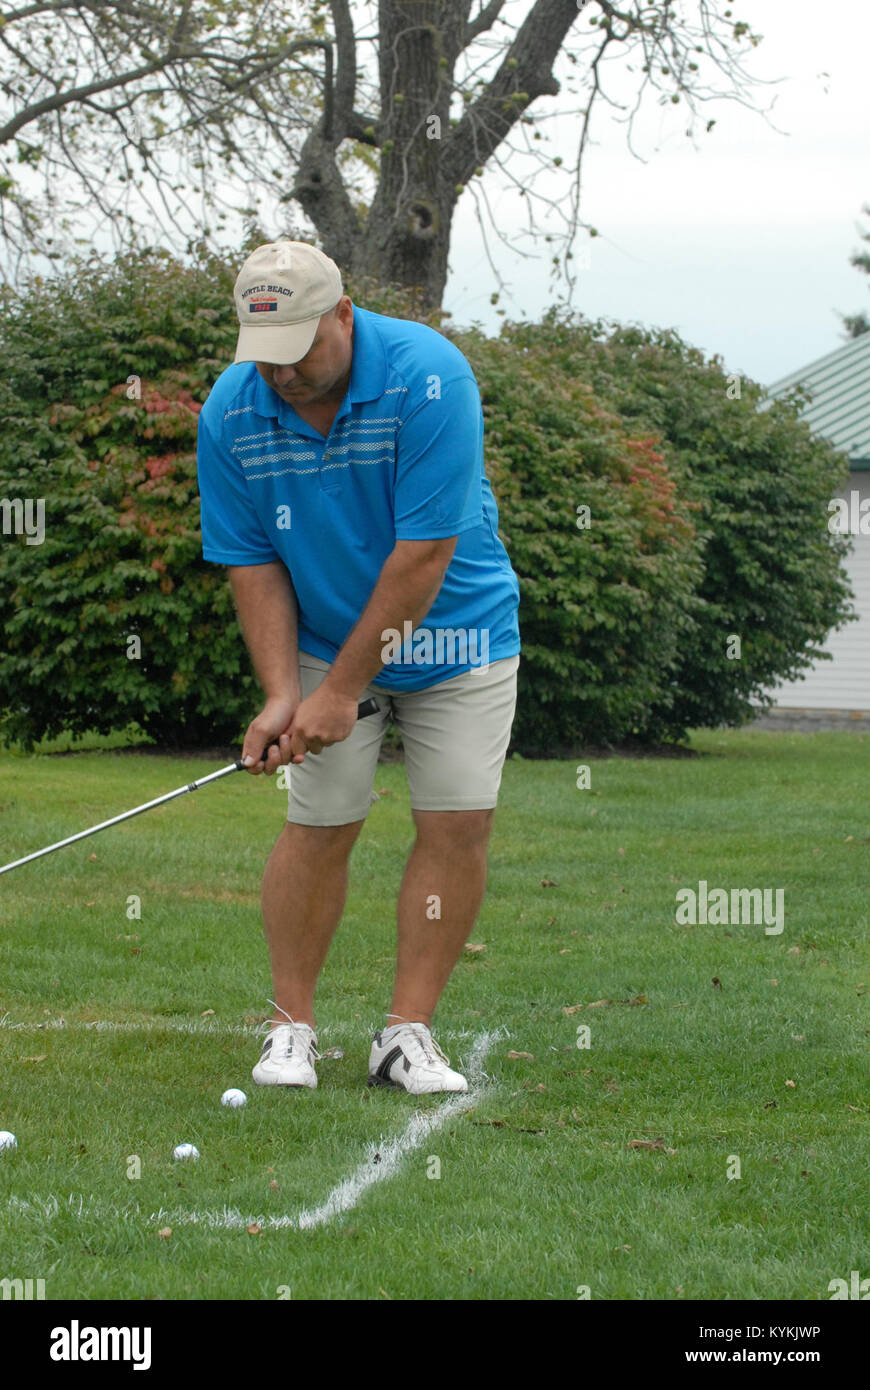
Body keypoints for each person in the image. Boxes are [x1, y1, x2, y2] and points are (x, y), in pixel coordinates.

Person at [196, 240, 520, 1095]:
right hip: (323, 627)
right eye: (266, 357)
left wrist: (342, 693)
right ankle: (290, 1026)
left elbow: (423, 555)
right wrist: (283, 692)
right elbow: (253, 559)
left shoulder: (429, 378)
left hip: (459, 633)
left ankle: (405, 1034)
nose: (284, 374)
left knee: (456, 823)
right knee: (322, 819)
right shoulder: (232, 412)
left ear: (344, 314)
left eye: (301, 349)